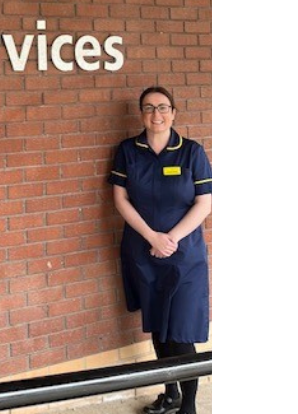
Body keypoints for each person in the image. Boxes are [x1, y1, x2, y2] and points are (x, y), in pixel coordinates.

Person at [108, 87, 213, 414]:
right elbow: (120, 199)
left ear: (174, 112)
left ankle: (189, 407)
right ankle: (171, 394)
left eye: (163, 107)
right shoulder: (128, 151)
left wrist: (171, 238)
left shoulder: (192, 152)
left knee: (180, 331)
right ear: (141, 114)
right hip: (144, 253)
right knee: (159, 325)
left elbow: (205, 203)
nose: (157, 114)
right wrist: (152, 237)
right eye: (149, 108)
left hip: (185, 258)